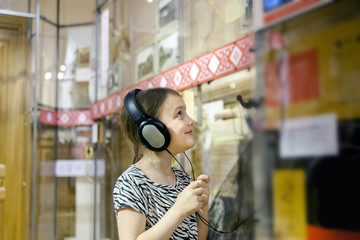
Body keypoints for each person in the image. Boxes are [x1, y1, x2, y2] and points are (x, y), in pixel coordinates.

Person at [113, 87, 210, 240]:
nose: (191, 121)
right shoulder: (130, 183)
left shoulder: (183, 179)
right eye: (179, 114)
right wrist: (179, 210)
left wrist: (203, 207)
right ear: (152, 129)